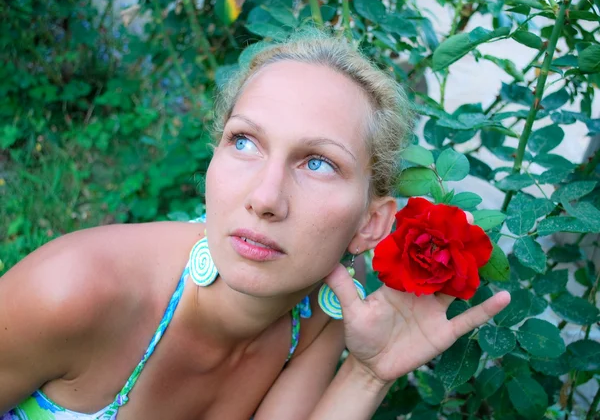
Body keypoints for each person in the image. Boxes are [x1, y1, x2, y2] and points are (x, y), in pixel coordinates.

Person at [0, 30, 510, 420]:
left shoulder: (322, 314)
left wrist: (366, 374)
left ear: (370, 224)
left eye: (318, 163)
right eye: (244, 142)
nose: (265, 199)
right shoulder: (73, 292)